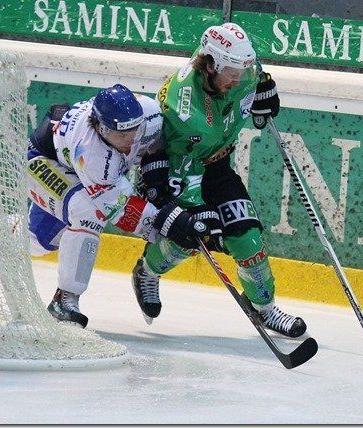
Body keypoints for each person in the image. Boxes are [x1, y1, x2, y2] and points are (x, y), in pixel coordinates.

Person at [131, 23, 307, 338]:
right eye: (232, 73)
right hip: (176, 170)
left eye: (243, 71)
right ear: (210, 65)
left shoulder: (239, 70)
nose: (239, 79)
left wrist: (264, 88)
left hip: (217, 165)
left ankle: (265, 309)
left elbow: (254, 75)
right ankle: (147, 271)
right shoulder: (186, 111)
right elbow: (182, 164)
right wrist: (197, 208)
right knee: (192, 237)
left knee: (247, 237)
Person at [27, 84, 213, 327]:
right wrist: (169, 222)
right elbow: (119, 208)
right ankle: (64, 299)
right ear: (100, 127)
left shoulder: (148, 113)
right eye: (121, 135)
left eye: (135, 131)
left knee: (38, 241)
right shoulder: (92, 153)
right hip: (44, 162)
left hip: (75, 169)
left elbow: (156, 146)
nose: (131, 140)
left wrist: (157, 183)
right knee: (87, 213)